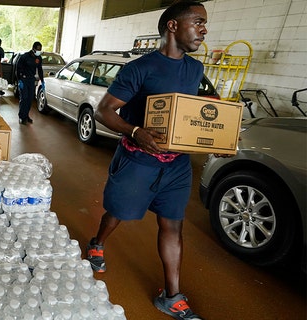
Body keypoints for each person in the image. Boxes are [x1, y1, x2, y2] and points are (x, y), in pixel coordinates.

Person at [87, 2, 210, 319]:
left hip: (176, 166)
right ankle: (98, 242)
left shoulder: (196, 69)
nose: (204, 29)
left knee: (172, 226)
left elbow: (200, 111)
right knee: (117, 213)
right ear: (173, 26)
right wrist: (136, 131)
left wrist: (217, 137)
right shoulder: (140, 69)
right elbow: (104, 111)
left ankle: (172, 296)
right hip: (137, 161)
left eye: (204, 24)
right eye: (198, 22)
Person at [16, 41, 44, 125]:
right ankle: (21, 116)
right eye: (38, 49)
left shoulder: (39, 58)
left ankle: (26, 115)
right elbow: (18, 68)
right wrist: (19, 80)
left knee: (30, 99)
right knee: (24, 98)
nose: (39, 51)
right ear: (33, 49)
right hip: (24, 79)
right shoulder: (25, 57)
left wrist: (42, 80)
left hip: (31, 80)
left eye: (40, 49)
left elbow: (39, 69)